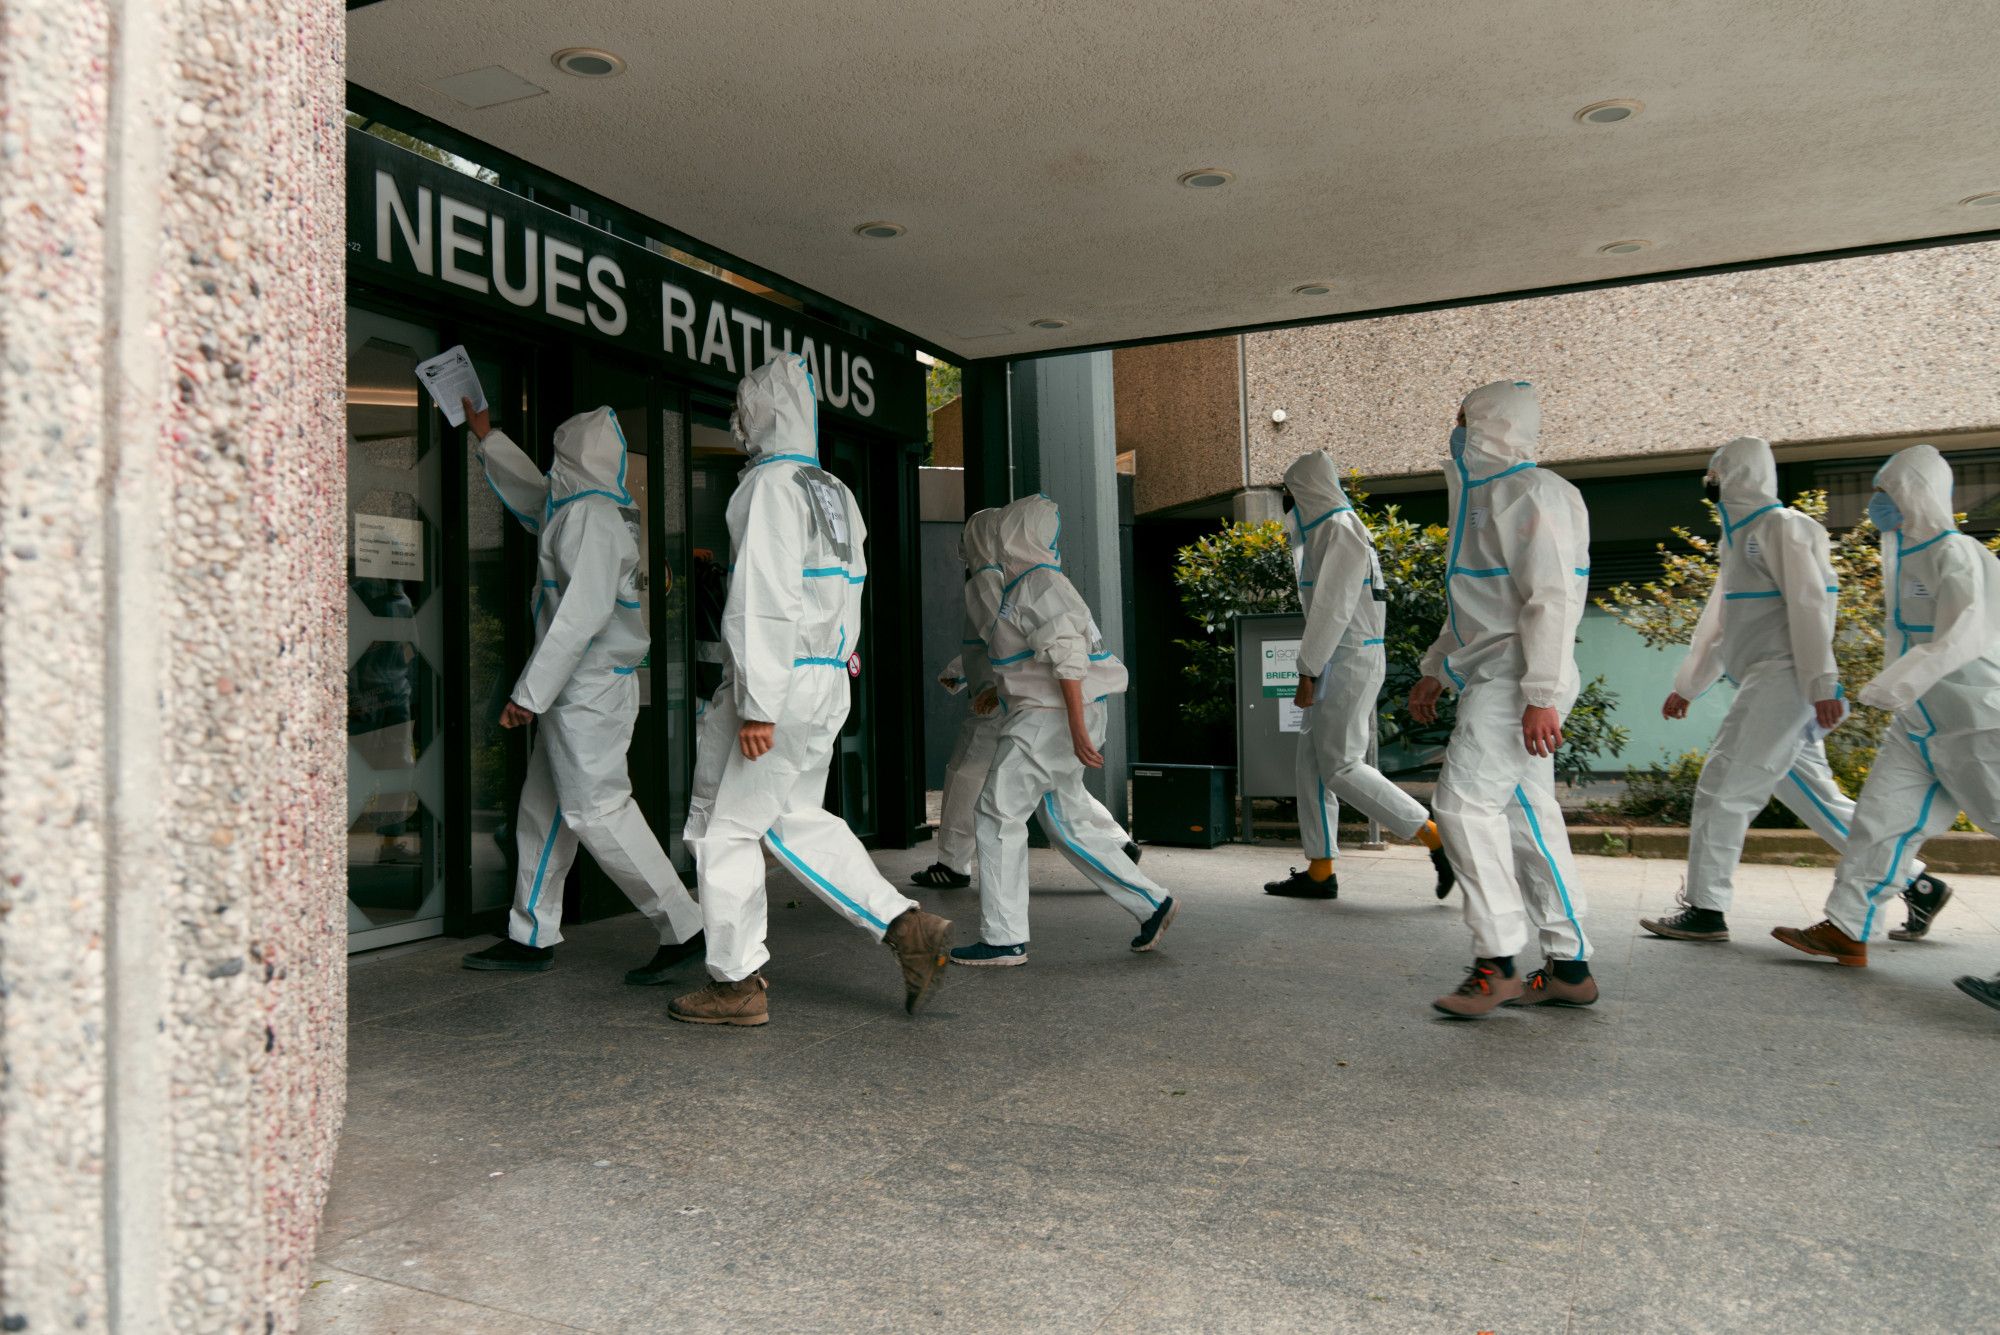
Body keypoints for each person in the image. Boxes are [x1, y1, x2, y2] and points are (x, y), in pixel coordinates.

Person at [670, 355, 953, 1026]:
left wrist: (760, 702)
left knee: (727, 830)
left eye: (744, 410)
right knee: (794, 816)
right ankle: (905, 927)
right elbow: (840, 590)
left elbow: (762, 597)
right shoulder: (832, 489)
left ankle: (737, 982)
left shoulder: (768, 486)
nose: (737, 423)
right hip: (824, 678)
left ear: (763, 414)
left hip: (780, 682)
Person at [1639, 437, 1947, 944]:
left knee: (1723, 787)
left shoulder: (1785, 527)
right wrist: (1688, 686)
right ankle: (1919, 882)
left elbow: (1812, 606)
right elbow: (1721, 625)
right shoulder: (1738, 540)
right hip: (1773, 679)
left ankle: (1706, 908)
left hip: (1785, 677)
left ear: (1734, 475)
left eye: (1714, 474)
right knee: (1813, 797)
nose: (1709, 485)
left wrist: (1821, 683)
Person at [459, 400, 706, 983]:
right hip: (586, 687)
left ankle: (685, 923)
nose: (551, 467)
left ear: (568, 454)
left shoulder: (591, 515)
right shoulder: (592, 506)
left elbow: (580, 614)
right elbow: (535, 497)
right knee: (543, 813)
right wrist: (489, 437)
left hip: (585, 689)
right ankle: (530, 934)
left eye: (556, 455)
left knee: (597, 810)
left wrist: (529, 693)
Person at [1409, 381, 1596, 1017]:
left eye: (1462, 419)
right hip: (1502, 677)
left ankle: (1498, 962)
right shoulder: (1482, 496)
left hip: (1520, 679)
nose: (1454, 430)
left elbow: (1553, 598)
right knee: (1527, 821)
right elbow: (1480, 604)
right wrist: (1436, 667)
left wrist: (1540, 692)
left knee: (1460, 805)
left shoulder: (1532, 490)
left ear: (1491, 423)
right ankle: (1569, 966)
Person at [1772, 444, 2000, 967]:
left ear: (1916, 493)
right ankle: (1848, 928)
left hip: (1977, 719)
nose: (1877, 503)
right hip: (1921, 721)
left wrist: (1895, 684)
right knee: (1879, 821)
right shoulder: (1904, 553)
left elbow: (1966, 634)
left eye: (1887, 491)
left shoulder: (1958, 553)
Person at [950, 495, 1177, 967]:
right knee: (1066, 819)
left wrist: (1075, 727)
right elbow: (1042, 655)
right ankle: (1151, 902)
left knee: (996, 814)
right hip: (1051, 714)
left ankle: (1004, 939)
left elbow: (1068, 657)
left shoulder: (1037, 584)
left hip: (1047, 718)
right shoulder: (1034, 581)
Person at [913, 507, 1142, 889]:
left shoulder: (987, 579)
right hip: (1014, 696)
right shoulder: (1018, 576)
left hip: (1001, 699)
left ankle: (953, 864)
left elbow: (999, 638)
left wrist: (985, 686)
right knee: (1056, 787)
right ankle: (1117, 845)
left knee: (969, 776)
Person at [1264, 449, 1456, 901]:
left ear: (1307, 490)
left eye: (1293, 493)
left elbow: (1331, 609)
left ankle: (1434, 837)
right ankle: (1319, 870)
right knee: (1311, 766)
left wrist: (1307, 671)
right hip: (1341, 656)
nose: (1290, 504)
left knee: (1341, 765)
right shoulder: (1331, 530)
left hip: (1345, 658)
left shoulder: (1338, 529)